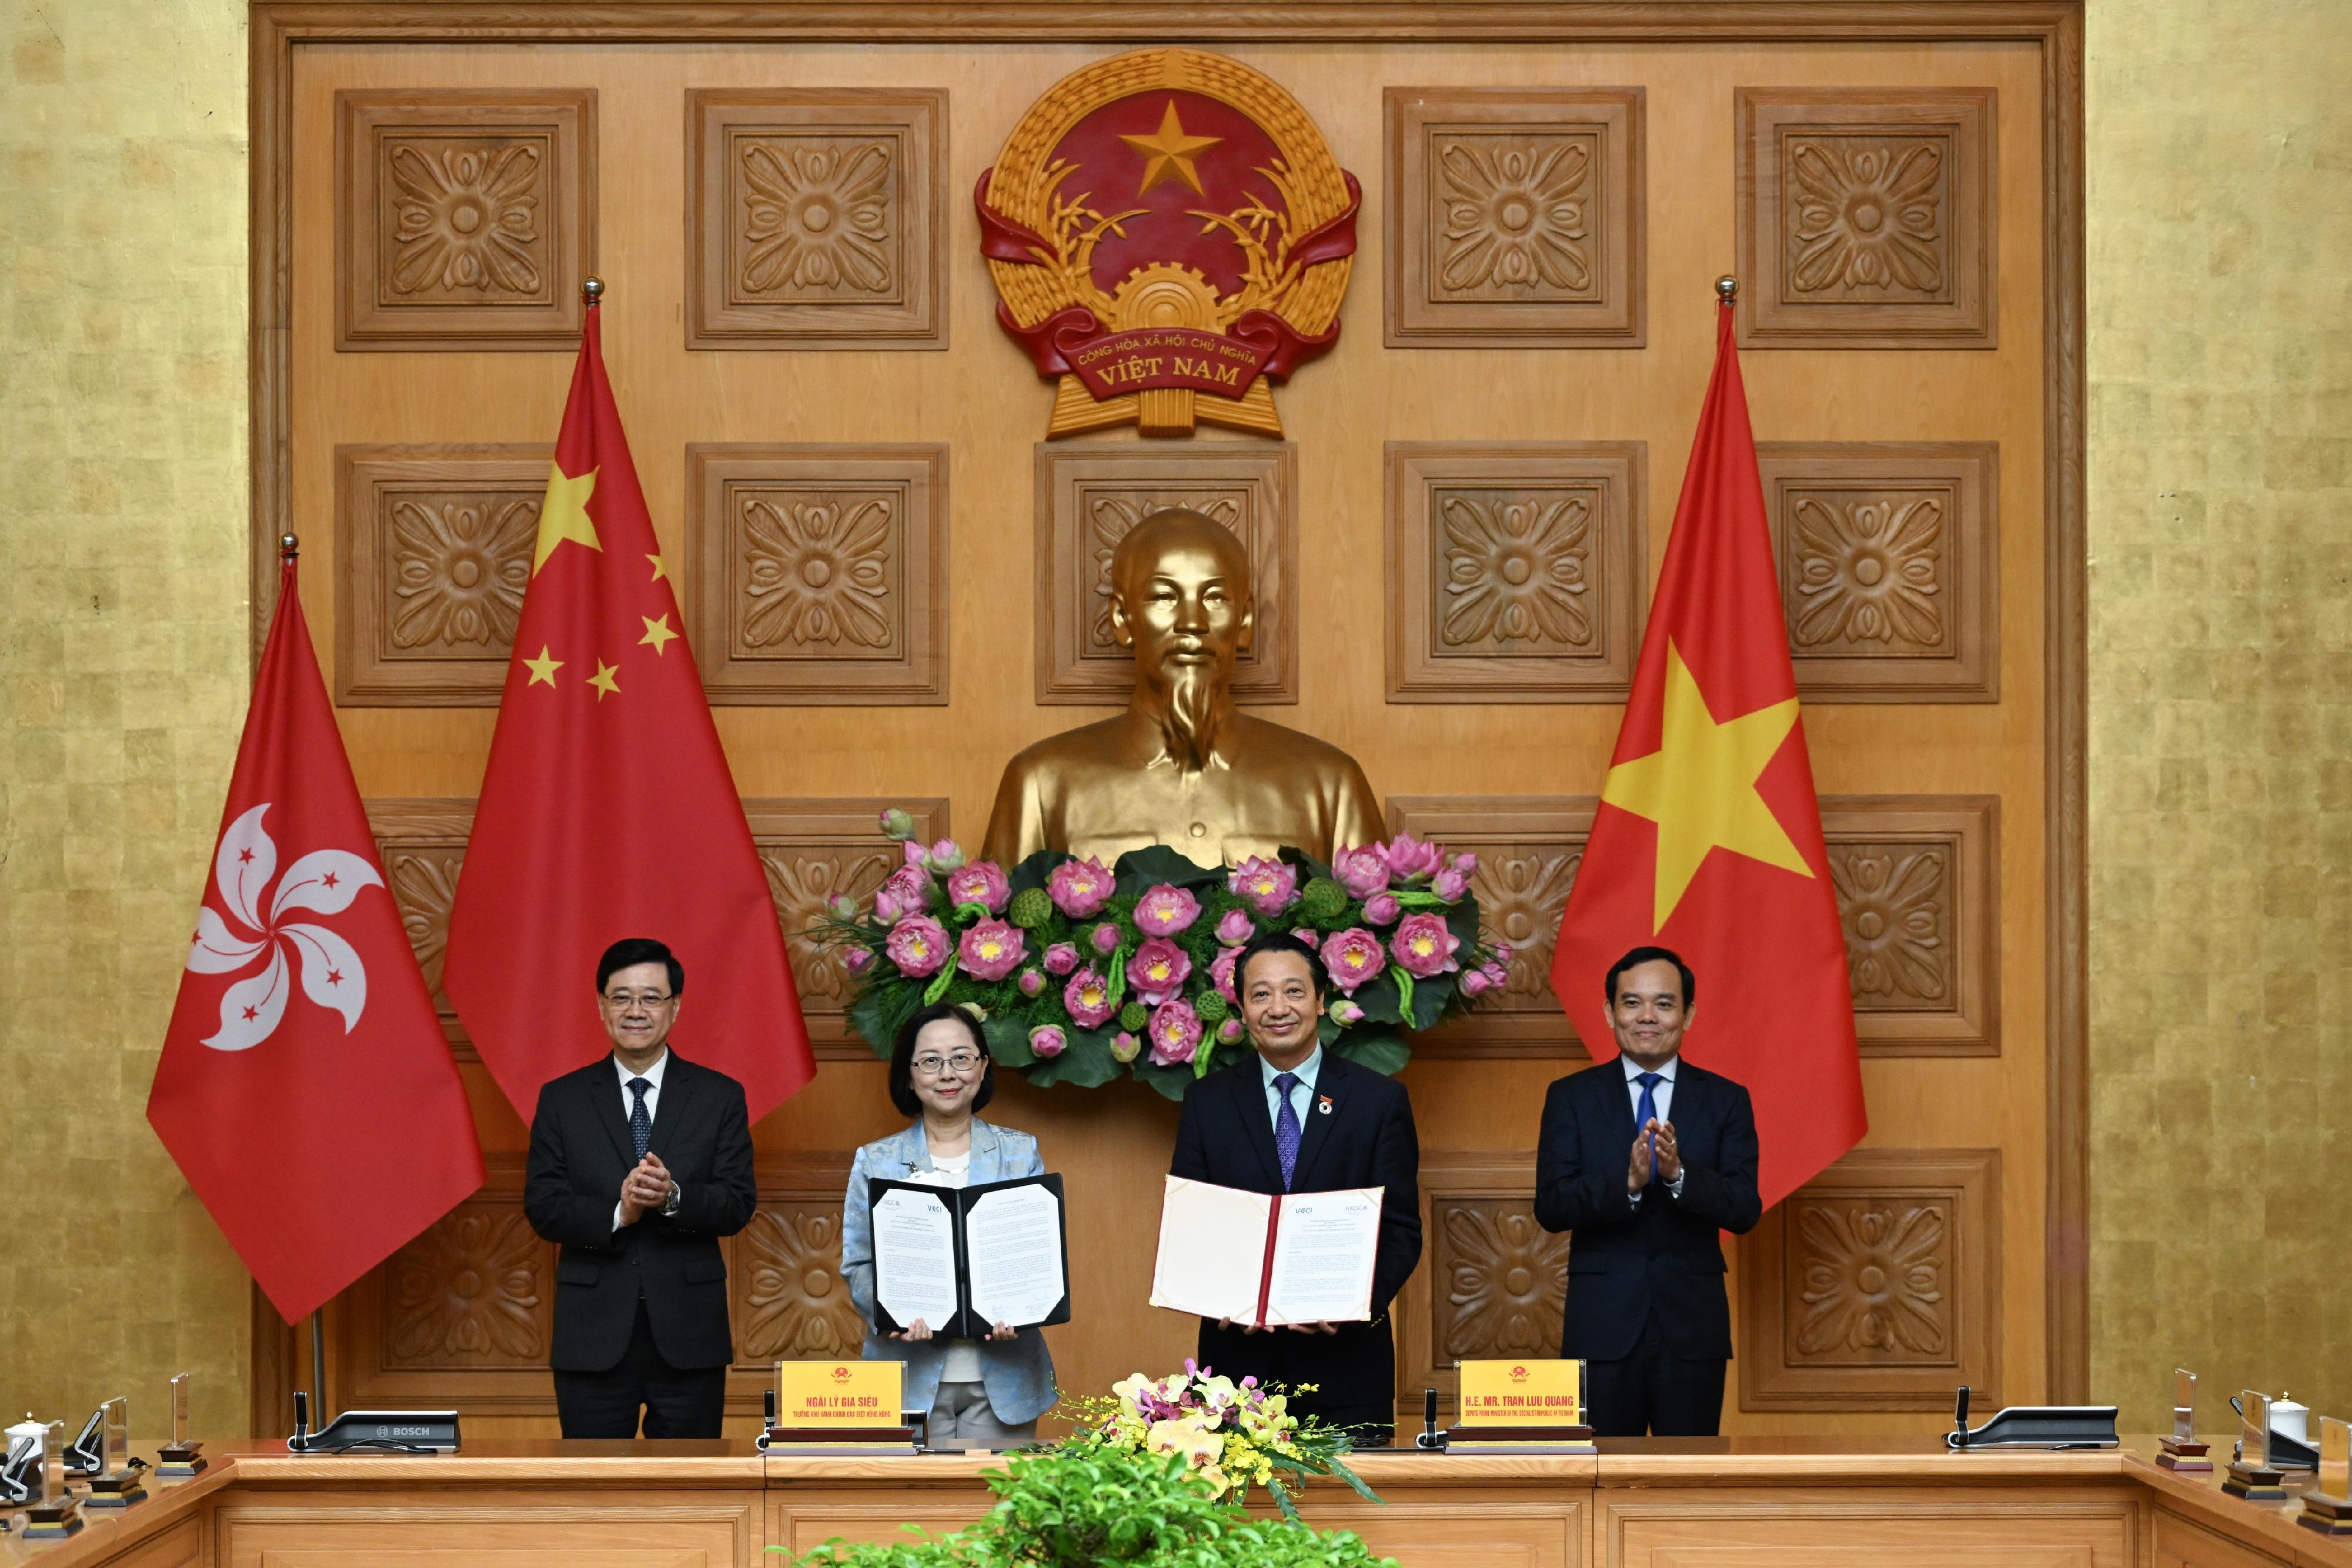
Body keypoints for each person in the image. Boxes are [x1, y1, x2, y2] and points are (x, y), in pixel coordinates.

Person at [983, 508, 1382, 867]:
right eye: (1163, 596)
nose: (1192, 622)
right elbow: (999, 939)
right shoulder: (1041, 785)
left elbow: (1372, 941)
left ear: (1243, 623)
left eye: (1214, 597)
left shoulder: (1331, 785)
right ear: (1122, 619)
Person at [1169, 931, 1422, 1446]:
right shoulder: (1207, 1102)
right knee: (1239, 1523)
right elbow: (1192, 1225)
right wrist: (1218, 1292)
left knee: (1353, 1524)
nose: (1278, 1007)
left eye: (1294, 991)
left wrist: (1355, 1302)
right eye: (1261, 994)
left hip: (1347, 1366)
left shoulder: (1379, 1101)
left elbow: (1400, 1230)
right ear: (1241, 1005)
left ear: (1322, 999)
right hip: (1235, 1374)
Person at [522, 937, 758, 1438]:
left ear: (675, 1007)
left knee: (691, 1498)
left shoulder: (720, 1096)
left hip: (690, 1332)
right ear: (601, 1006)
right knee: (595, 1495)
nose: (636, 1010)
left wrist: (673, 1197)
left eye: (651, 997)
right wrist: (619, 1213)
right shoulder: (562, 1099)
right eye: (621, 996)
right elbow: (544, 1207)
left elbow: (738, 1202)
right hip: (591, 1333)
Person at [1534, 945, 1761, 1437]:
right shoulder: (1570, 1097)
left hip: (1692, 1328)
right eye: (1632, 1002)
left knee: (1691, 1484)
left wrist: (1680, 1174)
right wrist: (1628, 1184)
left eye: (1664, 1003)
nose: (1647, 1017)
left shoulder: (1726, 1099)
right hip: (1602, 1326)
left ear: (1688, 1014)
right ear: (1610, 1012)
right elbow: (1552, 1204)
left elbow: (1744, 1208)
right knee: (1602, 1484)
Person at [840, 1003, 1057, 1443]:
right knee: (915, 1512)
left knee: (999, 1511)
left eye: (961, 1057)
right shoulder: (876, 1161)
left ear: (982, 1068)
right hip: (906, 1375)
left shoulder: (1020, 1153)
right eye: (930, 1061)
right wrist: (892, 1312)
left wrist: (1023, 1307)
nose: (947, 1073)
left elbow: (1037, 1256)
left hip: (1007, 1374)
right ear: (909, 1073)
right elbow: (857, 1264)